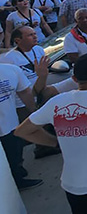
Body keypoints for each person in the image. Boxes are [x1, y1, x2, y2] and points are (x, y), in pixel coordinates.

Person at [15, 53, 87, 214]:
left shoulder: (57, 102)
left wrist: (55, 143)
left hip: (73, 186)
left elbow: (23, 130)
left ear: (75, 78)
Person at [0, 63, 42, 191]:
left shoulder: (11, 69)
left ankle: (17, 179)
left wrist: (34, 112)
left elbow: (25, 92)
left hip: (10, 125)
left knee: (15, 153)